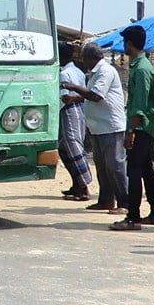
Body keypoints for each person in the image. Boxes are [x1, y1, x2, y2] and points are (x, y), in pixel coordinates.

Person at [110, 25, 154, 230]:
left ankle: (133, 216)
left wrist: (130, 132)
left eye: (125, 42)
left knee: (133, 171)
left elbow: (139, 106)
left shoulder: (141, 70)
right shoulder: (141, 66)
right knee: (145, 170)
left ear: (130, 44)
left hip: (140, 128)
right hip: (145, 127)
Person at [74, 43, 128, 214]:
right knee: (102, 166)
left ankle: (124, 203)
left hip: (110, 125)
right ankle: (106, 200)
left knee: (115, 166)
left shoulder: (105, 71)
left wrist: (73, 87)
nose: (83, 61)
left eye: (84, 58)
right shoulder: (95, 73)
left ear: (92, 58)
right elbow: (90, 97)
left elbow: (96, 96)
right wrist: (75, 98)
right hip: (98, 126)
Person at [57, 43, 93, 201]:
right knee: (66, 148)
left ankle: (83, 186)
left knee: (73, 146)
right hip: (80, 110)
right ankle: (76, 184)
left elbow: (65, 98)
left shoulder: (64, 74)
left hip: (69, 111)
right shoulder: (78, 71)